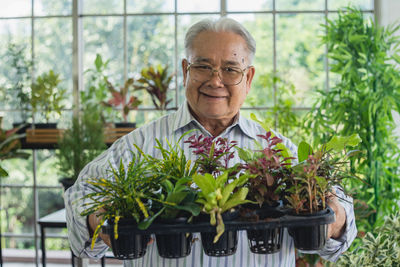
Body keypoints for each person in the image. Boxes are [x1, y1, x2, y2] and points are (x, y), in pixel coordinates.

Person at [64, 17, 357, 267]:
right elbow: (79, 203)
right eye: (203, 67)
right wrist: (97, 221)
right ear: (184, 71)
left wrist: (335, 216)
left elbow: (339, 237)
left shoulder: (277, 151)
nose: (215, 81)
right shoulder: (138, 146)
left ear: (249, 78)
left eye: (230, 69)